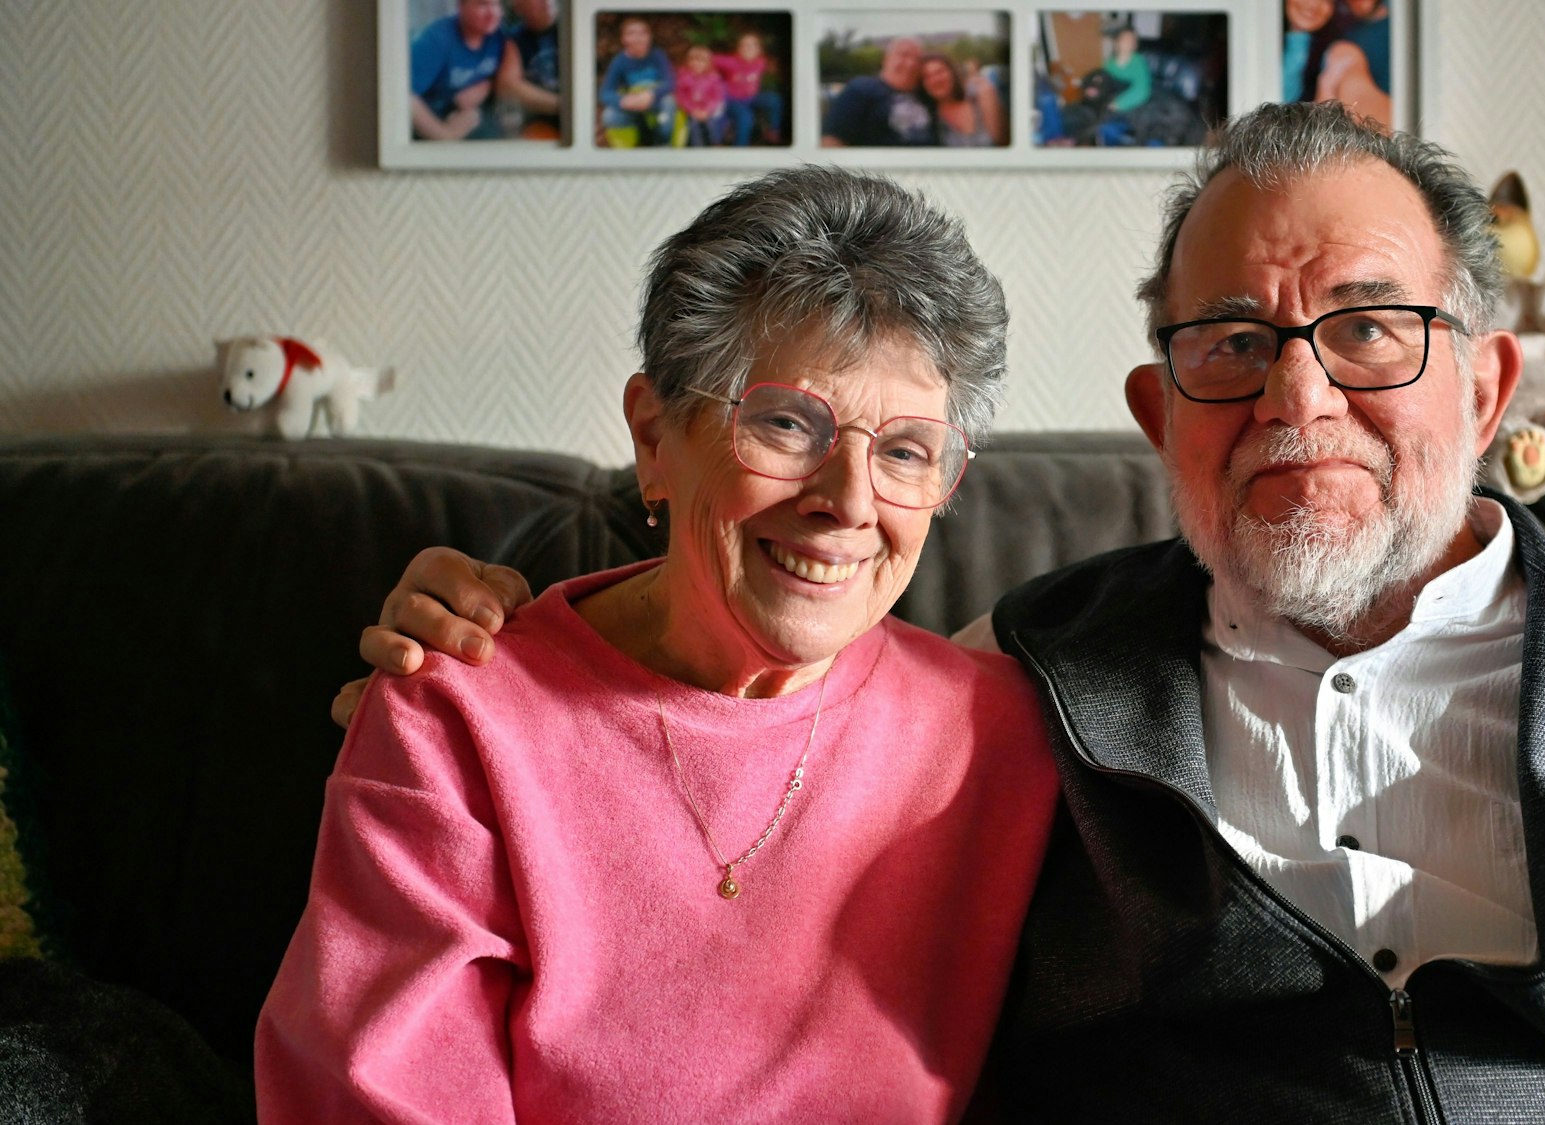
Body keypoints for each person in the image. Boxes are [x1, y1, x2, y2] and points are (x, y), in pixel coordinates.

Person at [339, 102, 1545, 1122]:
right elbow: (735, 728)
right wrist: (487, 649)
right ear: (1159, 414)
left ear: (1491, 385)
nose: (1298, 397)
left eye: (1369, 330)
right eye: (1232, 344)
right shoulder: (1029, 685)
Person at [257, 166, 1058, 1122]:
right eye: (787, 424)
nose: (848, 501)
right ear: (653, 436)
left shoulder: (1009, 734)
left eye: (905, 450)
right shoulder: (457, 715)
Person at [409, 0, 506, 141]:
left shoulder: (499, 36)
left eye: (496, 4)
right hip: (432, 123)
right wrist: (444, 135)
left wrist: (488, 85)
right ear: (461, 7)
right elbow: (401, 93)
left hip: (472, 117)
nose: (492, 13)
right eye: (482, 4)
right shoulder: (436, 39)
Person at [820, 36, 932, 147]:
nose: (911, 64)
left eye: (918, 59)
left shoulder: (926, 94)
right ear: (886, 59)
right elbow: (832, 140)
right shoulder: (861, 89)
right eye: (904, 55)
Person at [597, 16, 673, 148]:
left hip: (655, 102)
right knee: (608, 116)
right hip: (633, 104)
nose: (638, 38)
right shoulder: (619, 61)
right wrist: (623, 100)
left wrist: (651, 94)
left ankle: (662, 142)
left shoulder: (658, 56)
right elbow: (605, 92)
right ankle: (643, 133)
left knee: (669, 102)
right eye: (631, 33)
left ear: (649, 37)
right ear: (623, 39)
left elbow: (670, 82)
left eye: (643, 33)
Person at [494, 0, 560, 140]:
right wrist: (563, 105)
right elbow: (508, 86)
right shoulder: (514, 40)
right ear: (518, 7)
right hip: (541, 122)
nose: (547, 2)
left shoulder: (576, 27)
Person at [714, 30, 784, 146]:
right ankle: (740, 148)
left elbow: (772, 66)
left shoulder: (761, 62)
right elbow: (709, 58)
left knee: (774, 99)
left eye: (752, 45)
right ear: (738, 49)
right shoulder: (730, 62)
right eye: (744, 45)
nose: (747, 48)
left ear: (759, 50)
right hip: (733, 100)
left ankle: (772, 130)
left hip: (752, 98)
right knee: (746, 117)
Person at [919, 53, 1000, 148]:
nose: (936, 79)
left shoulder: (979, 95)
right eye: (927, 77)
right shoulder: (928, 120)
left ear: (952, 72)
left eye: (940, 72)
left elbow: (1003, 143)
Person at [674, 44, 728, 146]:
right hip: (692, 110)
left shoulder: (713, 77)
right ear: (688, 61)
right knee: (693, 124)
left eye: (701, 61)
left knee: (712, 123)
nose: (697, 64)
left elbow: (717, 96)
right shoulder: (683, 76)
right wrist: (692, 110)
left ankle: (716, 144)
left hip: (708, 110)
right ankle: (698, 148)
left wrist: (707, 110)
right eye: (693, 60)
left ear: (708, 63)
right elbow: (681, 96)